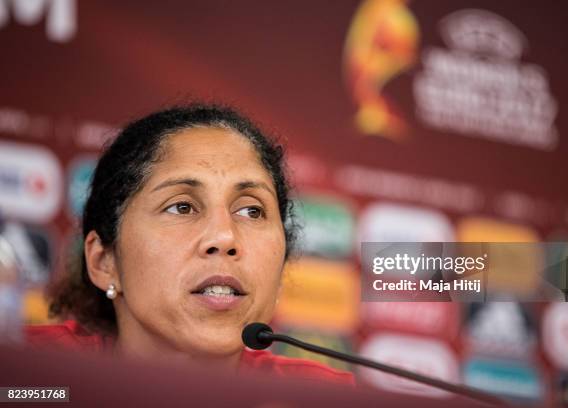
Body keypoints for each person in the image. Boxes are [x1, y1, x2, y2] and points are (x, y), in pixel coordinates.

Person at [27, 103, 354, 385]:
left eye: (251, 210)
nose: (225, 238)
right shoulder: (30, 378)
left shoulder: (325, 398)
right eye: (181, 207)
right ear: (103, 262)